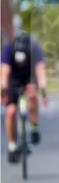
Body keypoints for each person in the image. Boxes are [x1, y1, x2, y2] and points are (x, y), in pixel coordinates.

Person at [1, 32, 48, 162]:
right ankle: (11, 145)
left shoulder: (35, 49)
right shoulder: (8, 49)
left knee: (32, 96)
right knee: (10, 112)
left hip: (29, 78)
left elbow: (40, 72)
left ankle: (34, 127)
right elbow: (4, 74)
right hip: (13, 80)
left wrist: (43, 92)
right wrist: (2, 93)